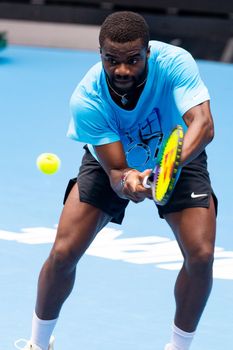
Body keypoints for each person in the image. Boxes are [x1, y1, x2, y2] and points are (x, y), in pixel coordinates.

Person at [16, 11, 217, 350]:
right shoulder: (87, 98)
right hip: (117, 159)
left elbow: (203, 124)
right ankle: (38, 343)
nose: (122, 69)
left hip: (178, 151)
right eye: (112, 60)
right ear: (100, 55)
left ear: (148, 53)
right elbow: (115, 171)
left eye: (133, 60)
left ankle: (178, 347)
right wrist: (129, 183)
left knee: (201, 255)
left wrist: (169, 166)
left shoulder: (175, 64)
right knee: (64, 253)